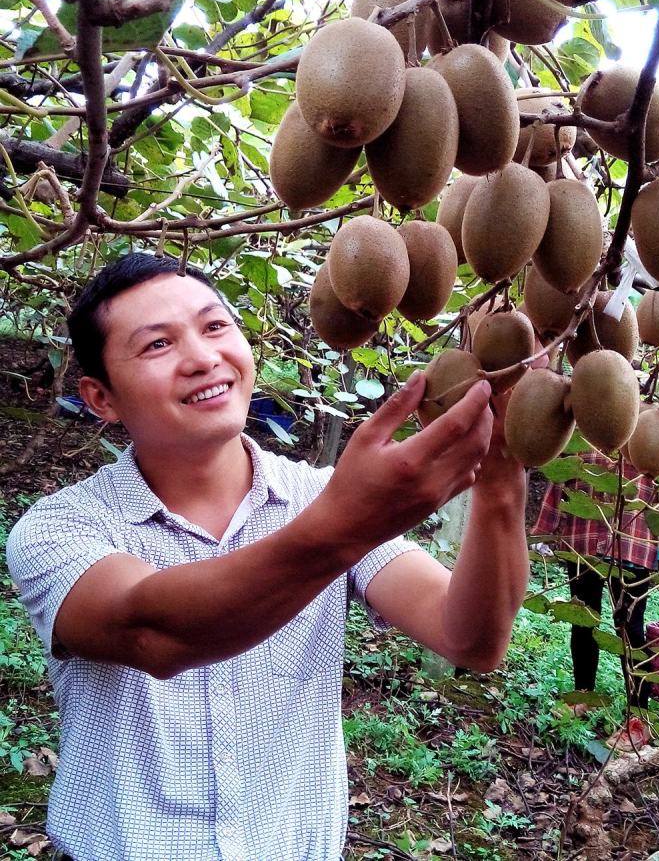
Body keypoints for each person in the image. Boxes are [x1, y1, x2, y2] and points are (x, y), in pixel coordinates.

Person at [7, 253, 530, 861]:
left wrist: (501, 478)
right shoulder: (58, 528)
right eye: (156, 345)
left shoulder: (319, 498)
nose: (203, 358)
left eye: (214, 326)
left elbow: (470, 639)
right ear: (101, 397)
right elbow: (152, 633)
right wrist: (348, 523)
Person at [530, 449, 659, 752]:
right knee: (582, 620)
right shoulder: (584, 426)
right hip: (582, 541)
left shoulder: (651, 429)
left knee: (630, 630)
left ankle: (639, 717)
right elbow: (560, 478)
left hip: (633, 546)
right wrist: (544, 531)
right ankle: (583, 695)